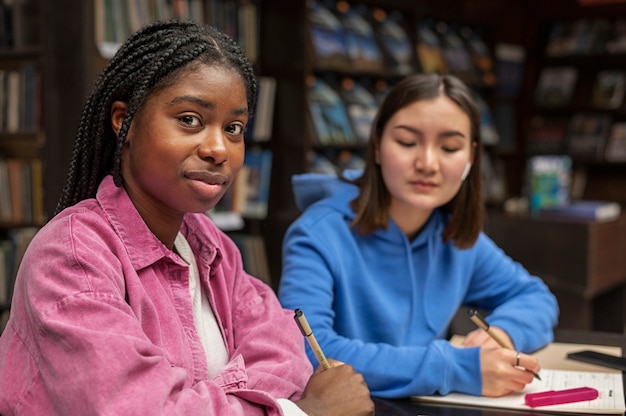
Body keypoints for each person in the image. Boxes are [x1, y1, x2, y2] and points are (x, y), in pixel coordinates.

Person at [0, 20, 374, 416]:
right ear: (122, 121)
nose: (218, 149)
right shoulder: (72, 256)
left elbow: (284, 352)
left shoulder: (210, 245)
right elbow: (134, 408)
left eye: (234, 128)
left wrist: (193, 400)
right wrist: (296, 411)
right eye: (189, 119)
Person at [278, 73, 559, 399]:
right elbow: (311, 351)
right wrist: (455, 368)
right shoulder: (317, 234)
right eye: (407, 142)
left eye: (450, 147)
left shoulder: (453, 233)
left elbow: (535, 297)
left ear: (470, 158)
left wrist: (504, 332)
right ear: (378, 146)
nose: (427, 163)